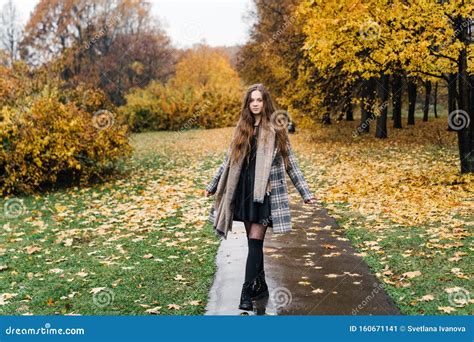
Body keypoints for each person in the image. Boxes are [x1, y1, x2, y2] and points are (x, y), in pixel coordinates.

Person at [205, 83, 317, 311]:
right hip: (244, 191)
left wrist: (306, 193)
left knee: (255, 243)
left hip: (264, 194)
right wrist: (213, 185)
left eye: (259, 100)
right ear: (248, 104)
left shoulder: (276, 128)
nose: (255, 104)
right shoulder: (242, 128)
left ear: (265, 102)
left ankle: (246, 293)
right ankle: (261, 286)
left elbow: (291, 164)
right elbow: (228, 161)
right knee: (253, 244)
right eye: (252, 100)